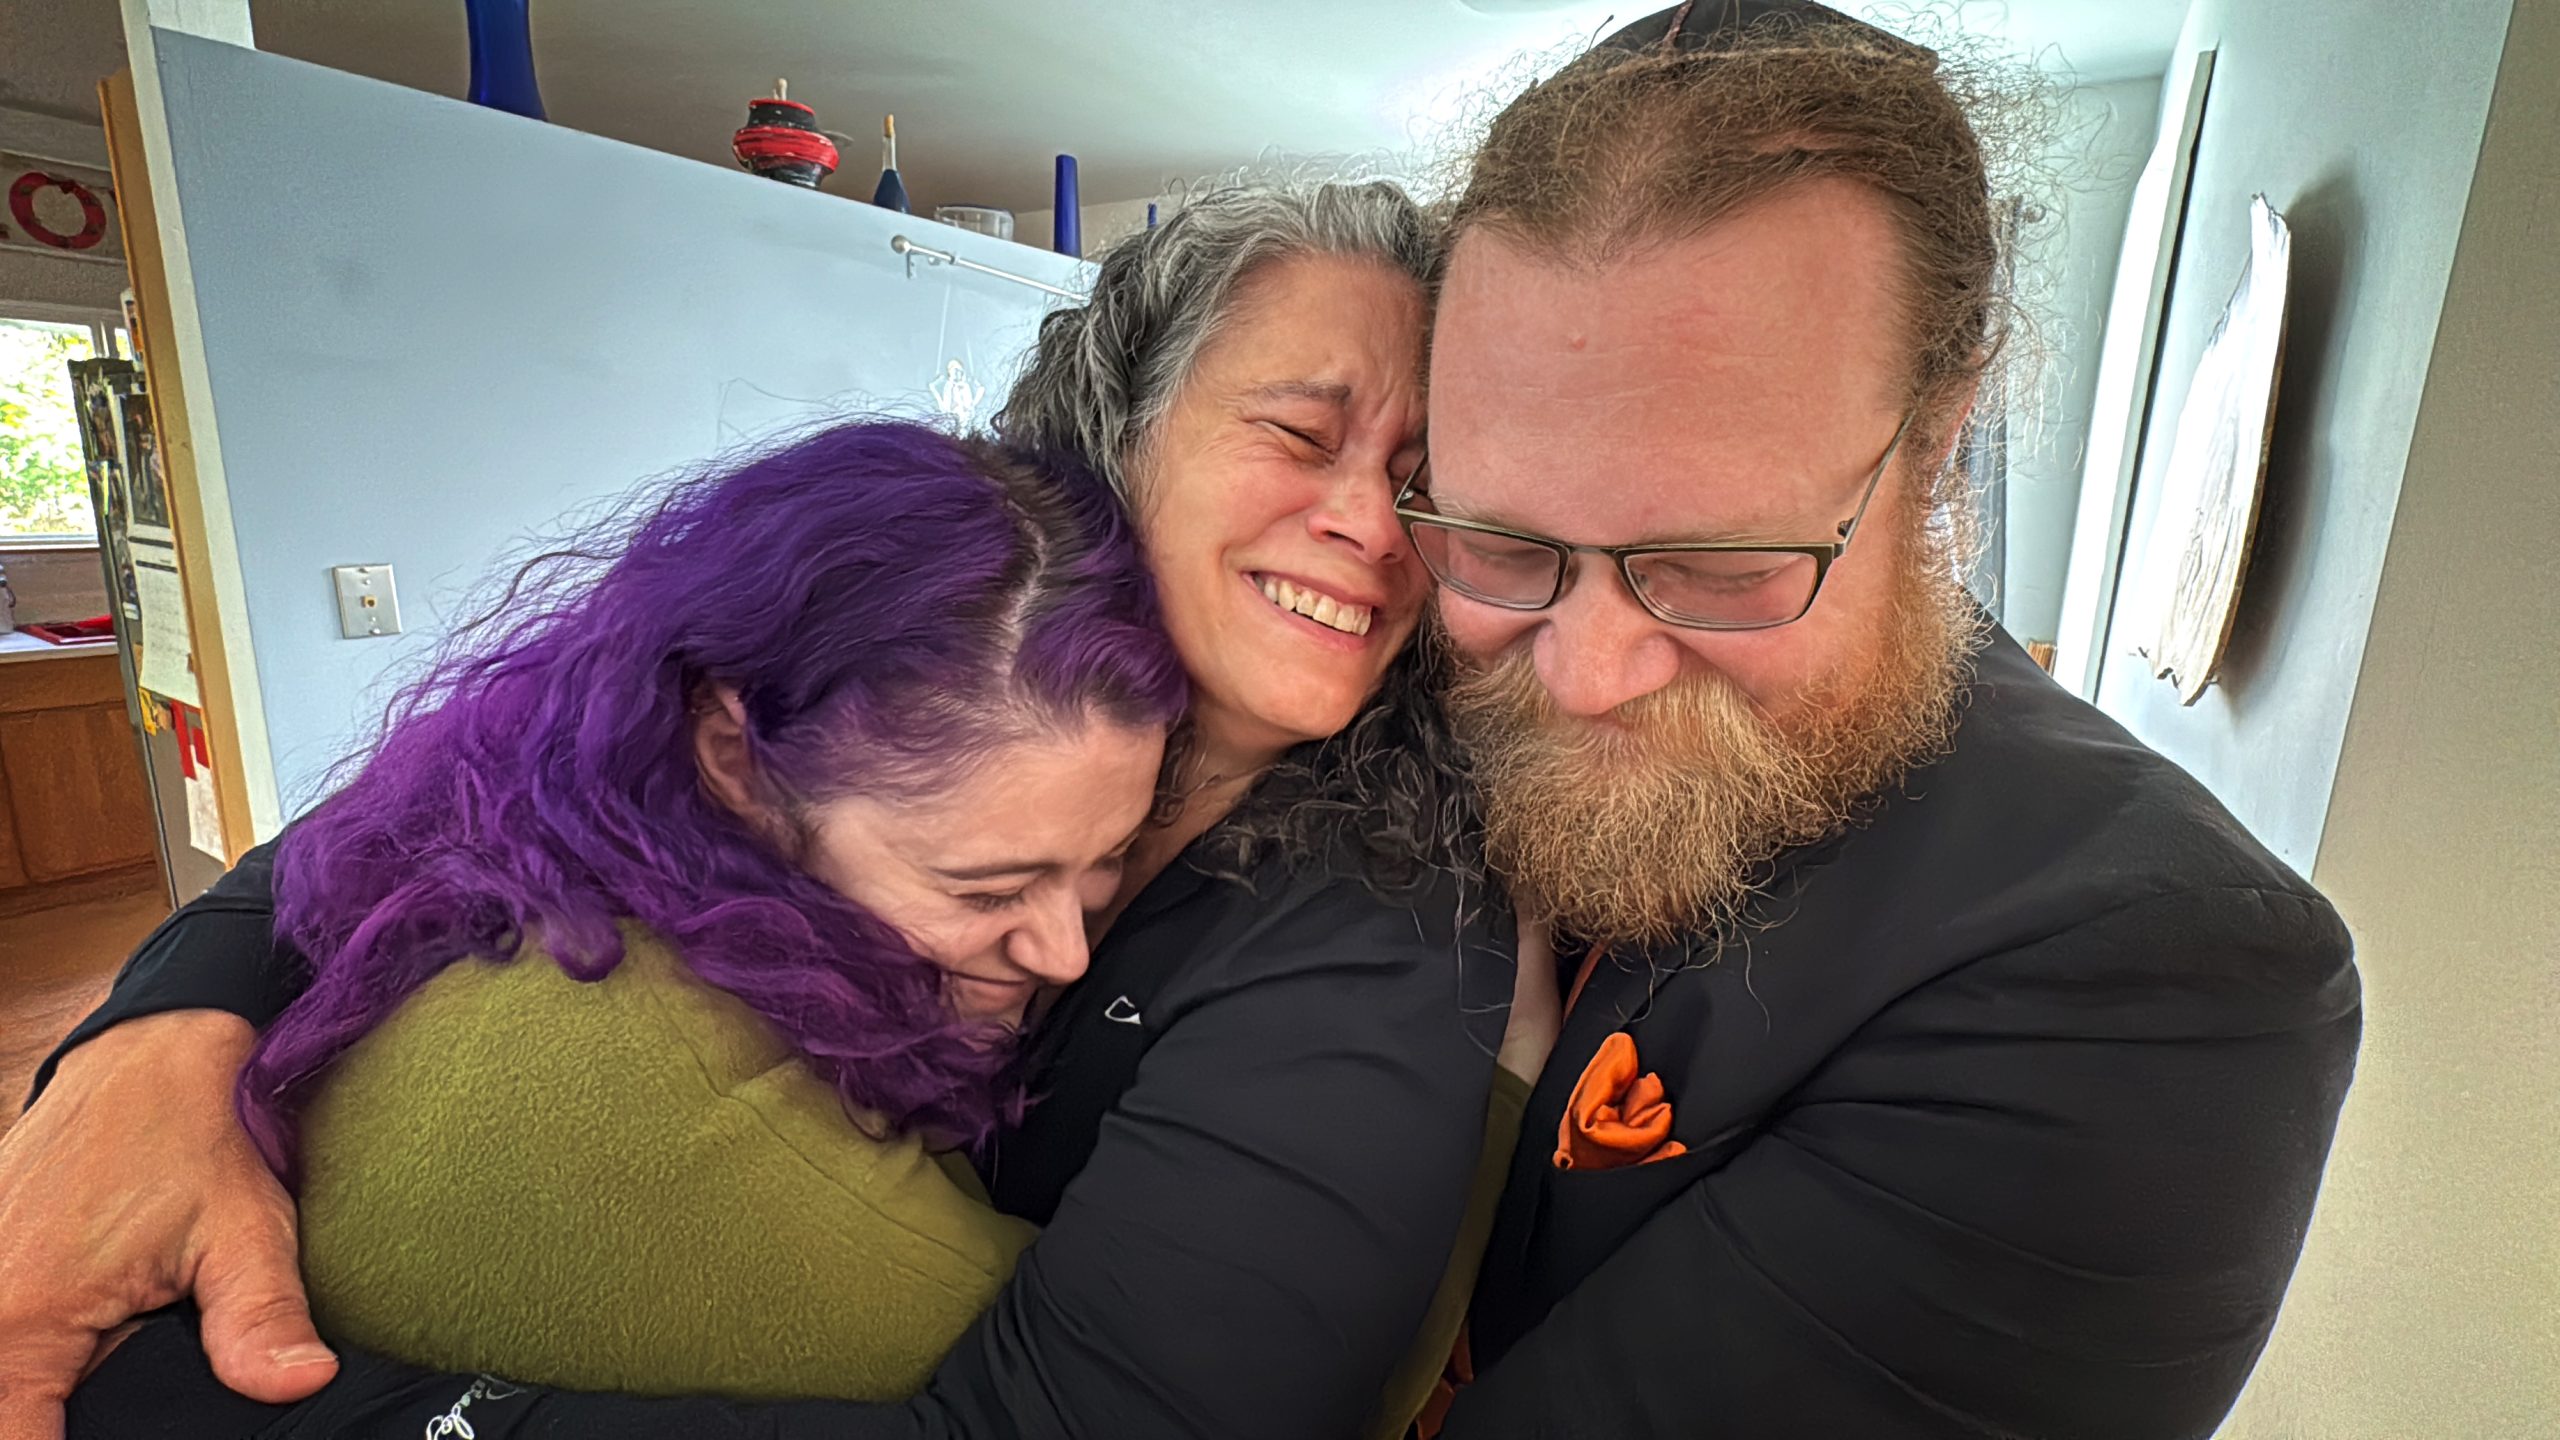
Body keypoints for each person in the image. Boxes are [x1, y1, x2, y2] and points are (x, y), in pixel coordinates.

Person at [7, 184, 1520, 1440]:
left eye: (1424, 479)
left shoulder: (1376, 932)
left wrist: (173, 1402)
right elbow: (464, 790)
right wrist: (156, 1035)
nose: (1374, 527)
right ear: (1122, 423)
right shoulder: (946, 606)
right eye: (1303, 434)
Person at [1410, 5, 2358, 1436]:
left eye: (1719, 565)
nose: (1584, 673)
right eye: (1497, 542)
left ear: (1937, 448)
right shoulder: (1402, 664)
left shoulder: (2160, 984)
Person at [238, 420, 1190, 1401]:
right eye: (985, 890)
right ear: (735, 755)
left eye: (1106, 861)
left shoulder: (547, 861)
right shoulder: (689, 1126)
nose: (1065, 955)